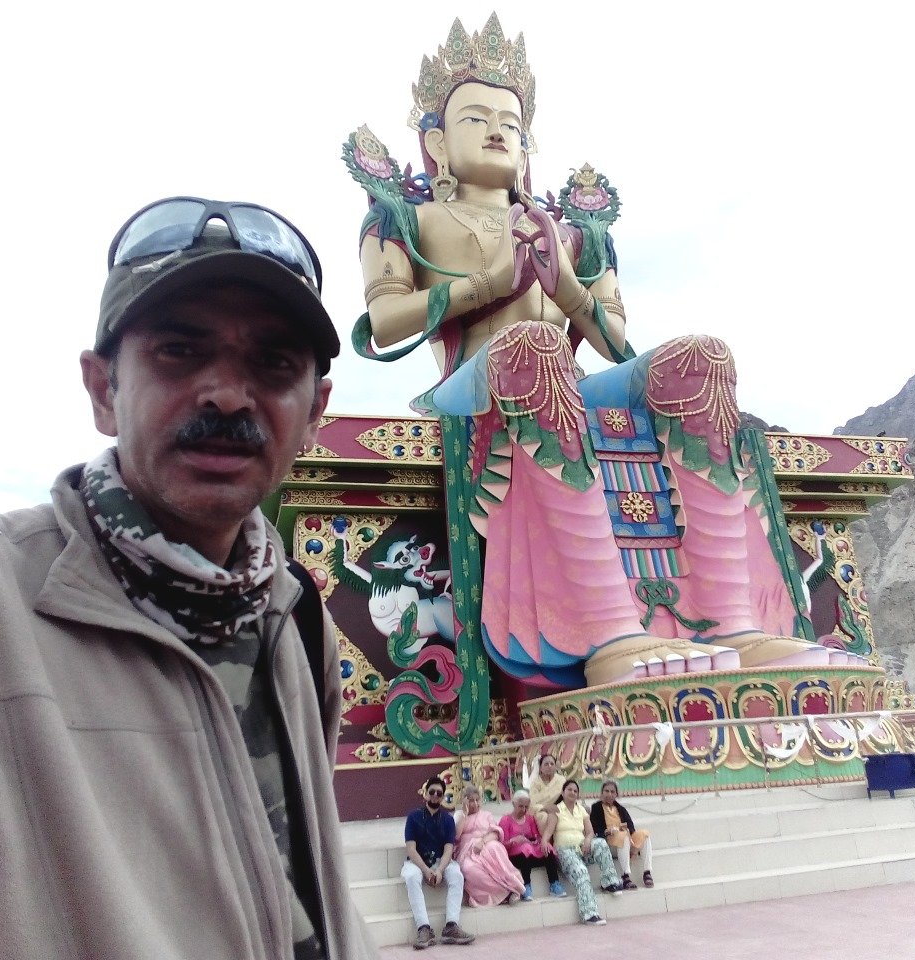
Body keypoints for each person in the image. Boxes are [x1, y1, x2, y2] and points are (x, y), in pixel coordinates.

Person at [0, 197, 378, 960]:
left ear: (315, 412)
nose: (226, 394)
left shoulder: (296, 614)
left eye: (274, 363)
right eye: (178, 351)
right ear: (102, 390)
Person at [346, 14, 831, 692]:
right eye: (475, 119)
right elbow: (384, 322)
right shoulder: (408, 218)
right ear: (436, 142)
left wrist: (567, 286)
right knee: (534, 348)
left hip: (564, 381)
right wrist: (492, 283)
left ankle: (731, 622)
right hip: (471, 379)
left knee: (702, 360)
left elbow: (615, 342)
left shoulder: (573, 234)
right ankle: (608, 631)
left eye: (510, 124)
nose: (496, 132)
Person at [402, 776, 476, 949]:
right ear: (425, 794)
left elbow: (449, 849)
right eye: (432, 792)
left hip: (441, 861)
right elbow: (411, 849)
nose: (435, 795)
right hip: (418, 862)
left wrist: (440, 870)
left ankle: (451, 926)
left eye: (439, 793)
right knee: (411, 877)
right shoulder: (413, 817)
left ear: (443, 797)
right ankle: (423, 928)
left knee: (456, 875)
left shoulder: (448, 820)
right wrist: (426, 870)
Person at [541, 780, 622, 926]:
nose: (572, 792)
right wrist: (544, 841)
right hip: (565, 852)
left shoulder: (581, 810)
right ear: (563, 792)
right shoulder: (556, 810)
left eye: (575, 791)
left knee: (601, 843)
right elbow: (548, 831)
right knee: (581, 871)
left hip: (582, 849)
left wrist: (588, 840)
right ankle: (589, 914)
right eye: (569, 790)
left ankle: (609, 882)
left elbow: (590, 832)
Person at [453, 785, 524, 907]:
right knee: (469, 869)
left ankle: (513, 885)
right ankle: (504, 893)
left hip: (487, 843)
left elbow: (495, 833)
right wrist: (464, 813)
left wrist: (482, 842)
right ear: (465, 801)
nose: (475, 804)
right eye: (471, 800)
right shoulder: (459, 815)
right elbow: (456, 836)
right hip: (467, 852)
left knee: (495, 848)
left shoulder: (486, 815)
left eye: (477, 800)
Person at [499, 789, 565, 900]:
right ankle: (526, 886)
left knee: (547, 847)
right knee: (525, 848)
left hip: (530, 853)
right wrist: (514, 840)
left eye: (526, 807)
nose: (524, 810)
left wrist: (534, 840)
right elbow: (502, 844)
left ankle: (554, 883)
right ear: (514, 804)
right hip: (516, 856)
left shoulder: (530, 818)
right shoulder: (506, 820)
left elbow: (536, 836)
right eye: (521, 806)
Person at [589, 780, 655, 889]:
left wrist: (624, 829)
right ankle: (625, 876)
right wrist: (608, 831)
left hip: (625, 840)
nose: (609, 794)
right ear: (602, 792)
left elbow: (631, 827)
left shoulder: (620, 808)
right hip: (609, 843)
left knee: (644, 834)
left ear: (616, 794)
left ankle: (647, 872)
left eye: (612, 792)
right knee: (622, 836)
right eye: (606, 791)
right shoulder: (596, 808)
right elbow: (595, 828)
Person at [527, 753, 567, 836]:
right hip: (541, 810)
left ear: (555, 767)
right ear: (541, 768)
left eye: (552, 764)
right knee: (544, 817)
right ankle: (546, 842)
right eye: (546, 764)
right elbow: (532, 803)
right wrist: (545, 807)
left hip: (559, 808)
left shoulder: (561, 780)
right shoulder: (535, 783)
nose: (549, 766)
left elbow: (567, 798)